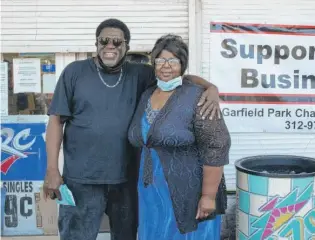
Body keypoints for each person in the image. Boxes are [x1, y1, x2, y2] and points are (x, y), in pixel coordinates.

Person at [43, 19, 222, 240]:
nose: (110, 46)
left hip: (127, 180)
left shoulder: (141, 74)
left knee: (126, 236)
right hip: (82, 179)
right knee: (76, 236)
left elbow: (177, 75)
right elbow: (55, 121)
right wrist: (52, 170)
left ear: (126, 46)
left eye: (117, 42)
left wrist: (211, 87)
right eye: (104, 40)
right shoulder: (74, 72)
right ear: (96, 43)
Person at [128, 34, 231, 239]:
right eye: (161, 60)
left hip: (188, 192)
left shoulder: (198, 96)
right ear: (154, 62)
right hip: (151, 191)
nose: (166, 66)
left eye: (173, 60)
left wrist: (208, 196)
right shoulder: (147, 93)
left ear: (182, 64)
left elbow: (216, 146)